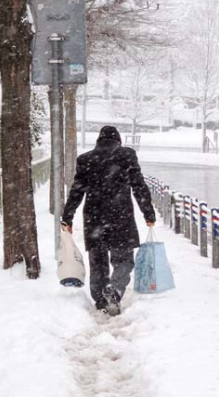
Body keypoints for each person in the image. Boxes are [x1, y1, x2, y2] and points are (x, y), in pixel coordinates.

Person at [61, 125, 156, 316]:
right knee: (124, 261)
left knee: (98, 262)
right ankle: (115, 289)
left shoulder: (86, 159)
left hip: (94, 219)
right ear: (118, 141)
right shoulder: (127, 155)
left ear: (98, 141)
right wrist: (148, 213)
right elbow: (139, 186)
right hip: (121, 217)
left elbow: (77, 191)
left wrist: (67, 217)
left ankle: (101, 302)